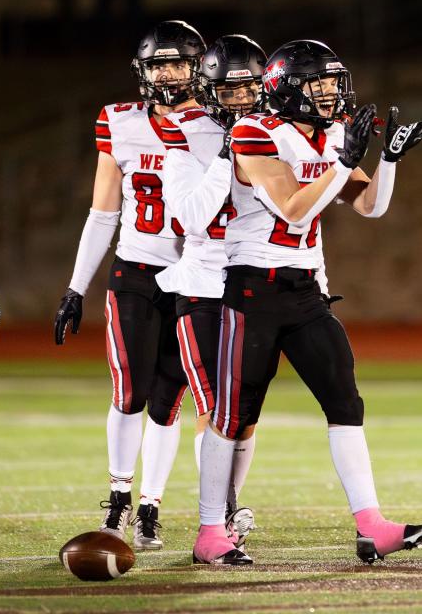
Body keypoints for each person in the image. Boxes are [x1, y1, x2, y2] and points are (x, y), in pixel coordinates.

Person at [193, 39, 422, 564]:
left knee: (344, 400)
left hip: (305, 291)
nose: (331, 93)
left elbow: (371, 206)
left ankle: (371, 524)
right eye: (319, 83)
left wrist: (386, 159)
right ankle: (211, 532)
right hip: (253, 287)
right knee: (233, 414)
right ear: (285, 87)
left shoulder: (331, 136)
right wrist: (339, 161)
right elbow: (293, 211)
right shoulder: (253, 131)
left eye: (333, 81)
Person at [53, 20, 206, 549]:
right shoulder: (118, 121)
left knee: (169, 399)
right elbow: (102, 213)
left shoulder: (218, 124)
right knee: (130, 393)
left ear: (196, 68)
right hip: (137, 270)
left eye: (177, 62)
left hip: (193, 278)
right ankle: (118, 499)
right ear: (143, 70)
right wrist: (76, 287)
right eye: (158, 63)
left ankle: (150, 507)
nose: (167, 73)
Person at [155, 34, 269, 551]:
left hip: (251, 284)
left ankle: (228, 505)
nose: (239, 100)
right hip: (202, 284)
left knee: (244, 413)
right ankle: (216, 520)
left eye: (247, 89)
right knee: (215, 405)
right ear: (209, 90)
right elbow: (193, 216)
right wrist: (227, 155)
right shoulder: (187, 132)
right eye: (228, 90)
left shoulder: (275, 134)